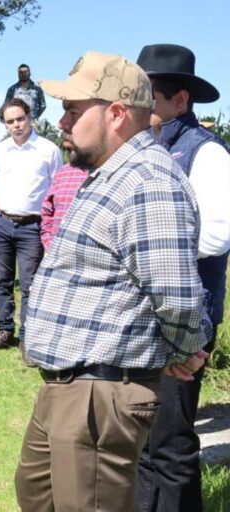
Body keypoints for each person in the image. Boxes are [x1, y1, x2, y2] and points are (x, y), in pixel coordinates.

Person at [15, 51, 213, 511]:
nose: (61, 122)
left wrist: (182, 351)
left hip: (98, 396)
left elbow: (177, 297)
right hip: (69, 388)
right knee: (38, 497)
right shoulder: (109, 174)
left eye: (73, 110)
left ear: (117, 113)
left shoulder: (149, 181)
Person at [135, 43, 230, 512]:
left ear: (180, 100)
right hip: (143, 316)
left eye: (148, 96)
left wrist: (145, 248)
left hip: (185, 317)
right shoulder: (143, 149)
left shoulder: (206, 153)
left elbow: (216, 236)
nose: (138, 105)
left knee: (171, 442)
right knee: (142, 438)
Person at [0, 98, 61, 350]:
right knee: (3, 281)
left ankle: (28, 338)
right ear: (4, 124)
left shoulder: (49, 150)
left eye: (20, 119)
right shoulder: (0, 151)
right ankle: (5, 331)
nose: (16, 125)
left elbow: (56, 190)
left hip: (32, 227)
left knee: (30, 285)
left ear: (30, 117)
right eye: (10, 121)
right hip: (2, 223)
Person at [39, 163, 87, 250]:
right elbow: (47, 211)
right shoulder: (64, 170)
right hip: (55, 251)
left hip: (88, 253)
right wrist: (48, 242)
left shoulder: (108, 173)